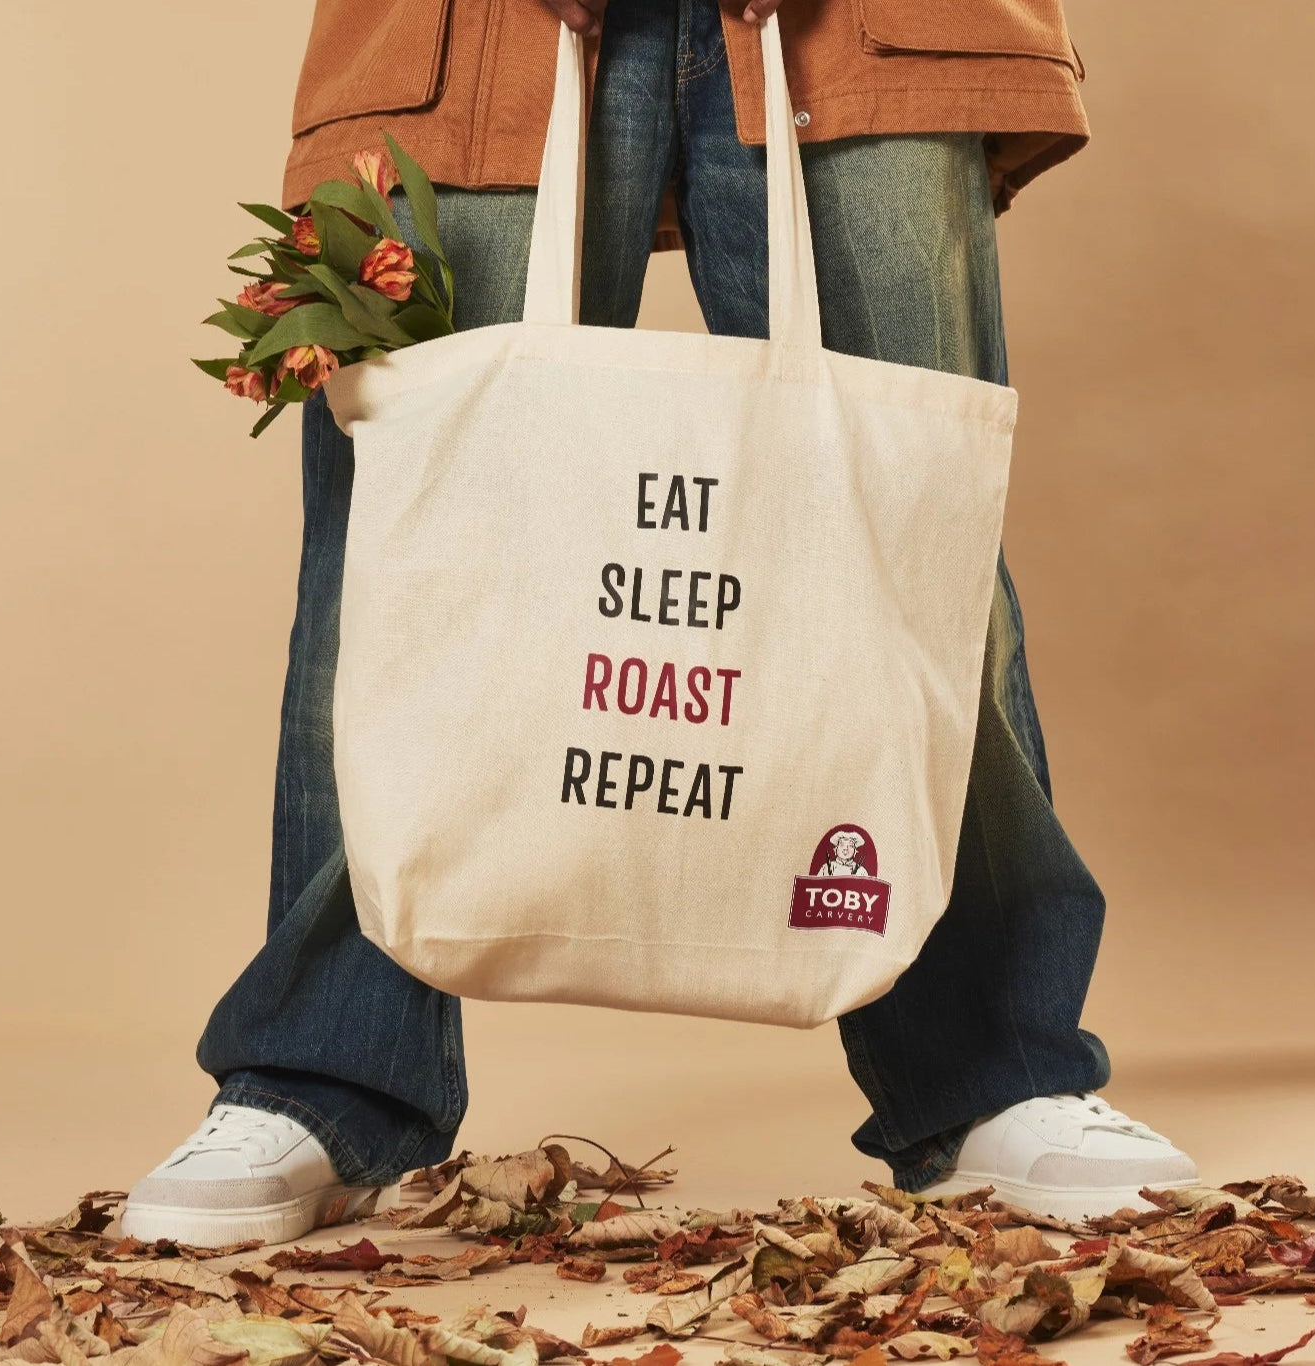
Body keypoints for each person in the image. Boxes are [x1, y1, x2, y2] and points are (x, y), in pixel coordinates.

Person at [119, 0, 1198, 1247]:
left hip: (865, 23)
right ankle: (321, 1073)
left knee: (909, 533)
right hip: (466, 29)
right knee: (401, 534)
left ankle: (995, 1071)